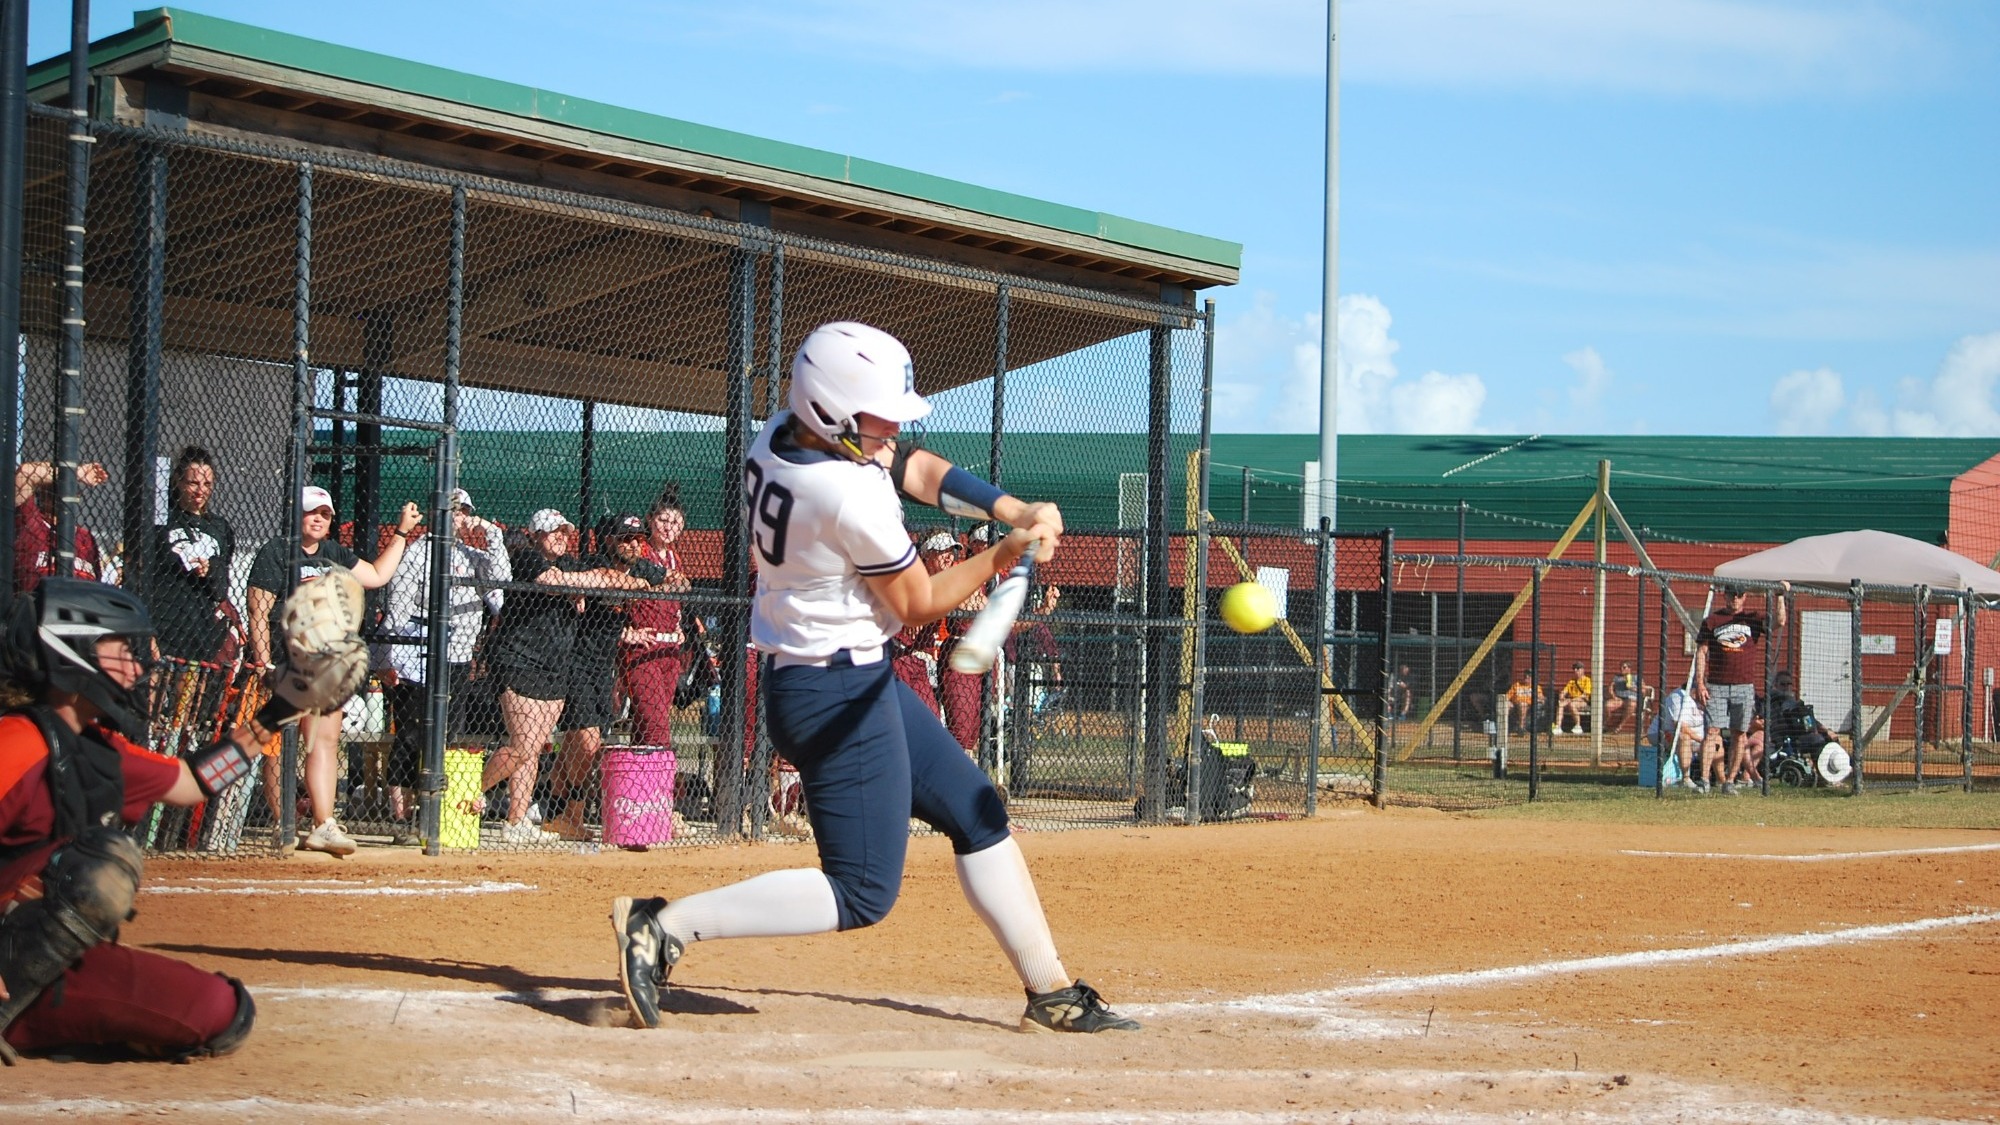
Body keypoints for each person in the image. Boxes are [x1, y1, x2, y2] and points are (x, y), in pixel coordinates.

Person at [612, 321, 1138, 1035]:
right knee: (861, 889)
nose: (890, 429)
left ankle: (1049, 988)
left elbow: (913, 465)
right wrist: (1002, 555)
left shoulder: (784, 432)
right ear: (833, 413)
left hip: (853, 678)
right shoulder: (842, 496)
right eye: (876, 417)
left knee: (975, 808)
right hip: (834, 697)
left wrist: (1007, 509)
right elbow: (918, 601)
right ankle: (664, 925)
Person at [0, 579, 255, 1061]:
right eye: (120, 649)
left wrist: (283, 710)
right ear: (72, 653)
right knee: (101, 869)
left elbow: (192, 782)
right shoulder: (15, 743)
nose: (137, 667)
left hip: (40, 958)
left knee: (223, 1011)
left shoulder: (97, 749)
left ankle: (57, 1024)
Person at [246, 486, 421, 855]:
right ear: (297, 515)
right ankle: (283, 822)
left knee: (323, 741)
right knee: (280, 746)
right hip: (287, 660)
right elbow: (258, 612)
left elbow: (376, 575)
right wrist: (263, 660)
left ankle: (323, 824)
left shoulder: (334, 553)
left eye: (325, 514)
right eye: (312, 512)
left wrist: (402, 532)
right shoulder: (277, 552)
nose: (318, 518)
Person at [478, 508, 652, 844]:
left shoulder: (571, 563)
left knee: (534, 749)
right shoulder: (526, 558)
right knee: (523, 745)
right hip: (520, 659)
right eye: (552, 531)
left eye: (564, 531)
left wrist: (597, 581)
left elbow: (600, 577)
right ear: (535, 535)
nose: (560, 536)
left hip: (555, 666)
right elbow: (552, 582)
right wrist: (589, 582)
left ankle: (516, 821)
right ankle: (467, 790)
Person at [373, 488, 510, 842]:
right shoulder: (419, 552)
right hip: (417, 656)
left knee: (448, 734)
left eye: (464, 511)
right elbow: (397, 609)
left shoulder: (473, 554)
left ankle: (432, 812)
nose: (459, 517)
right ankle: (402, 817)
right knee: (411, 733)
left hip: (459, 656)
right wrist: (386, 657)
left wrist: (492, 535)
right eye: (452, 510)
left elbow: (500, 589)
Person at [545, 513, 667, 842]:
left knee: (572, 747)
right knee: (588, 745)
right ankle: (572, 814)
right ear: (608, 540)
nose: (633, 544)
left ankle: (557, 816)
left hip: (604, 668)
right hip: (577, 663)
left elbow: (678, 580)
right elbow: (572, 574)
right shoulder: (591, 562)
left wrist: (647, 584)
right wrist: (625, 583)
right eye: (625, 538)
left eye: (637, 539)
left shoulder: (642, 567)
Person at [1694, 581, 1788, 796]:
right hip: (1716, 685)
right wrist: (1700, 683)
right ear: (1725, 596)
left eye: (1738, 595)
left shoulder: (1753, 619)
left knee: (1739, 733)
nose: (1734, 599)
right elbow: (1701, 652)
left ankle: (1729, 781)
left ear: (1744, 597)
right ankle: (1704, 780)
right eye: (1730, 595)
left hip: (1743, 686)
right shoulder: (1712, 621)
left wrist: (1780, 596)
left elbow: (1780, 621)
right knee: (1712, 732)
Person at [147, 447, 239, 664]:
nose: (201, 491)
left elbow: (221, 589)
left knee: (189, 695)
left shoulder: (219, 527)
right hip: (165, 623)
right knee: (155, 692)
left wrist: (211, 569)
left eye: (207, 484)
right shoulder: (163, 522)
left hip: (201, 631)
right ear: (179, 482)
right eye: (193, 483)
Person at [619, 487, 693, 749]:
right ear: (650, 520)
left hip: (670, 648)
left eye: (676, 523)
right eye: (663, 520)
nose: (669, 528)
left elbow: (681, 593)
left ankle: (639, 781)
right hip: (643, 645)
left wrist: (679, 624)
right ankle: (659, 774)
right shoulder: (641, 553)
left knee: (647, 720)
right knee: (655, 720)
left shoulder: (675, 558)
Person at [888, 530, 955, 719]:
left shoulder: (949, 581)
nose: (949, 556)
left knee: (931, 716)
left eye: (951, 550)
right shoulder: (915, 580)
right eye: (942, 551)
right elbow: (914, 625)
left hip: (923, 661)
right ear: (926, 555)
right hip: (901, 656)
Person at [12, 460, 107, 593]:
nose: (60, 494)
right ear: (42, 493)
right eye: (53, 487)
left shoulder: (86, 538)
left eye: (68, 488)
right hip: (39, 607)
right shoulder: (30, 521)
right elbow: (25, 473)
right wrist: (76, 473)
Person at [936, 527, 989, 754]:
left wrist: (1042, 611)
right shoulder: (959, 570)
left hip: (983, 656)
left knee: (974, 733)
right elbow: (961, 605)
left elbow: (1007, 622)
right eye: (986, 543)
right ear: (974, 546)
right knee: (960, 729)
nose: (991, 548)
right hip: (958, 652)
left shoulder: (994, 577)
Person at [1649, 682, 1715, 792]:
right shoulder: (1678, 697)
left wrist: (1707, 740)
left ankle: (1720, 780)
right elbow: (1680, 727)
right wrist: (1702, 741)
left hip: (1696, 737)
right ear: (1694, 689)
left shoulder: (1704, 699)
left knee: (1717, 740)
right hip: (1663, 734)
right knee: (1683, 737)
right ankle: (1686, 778)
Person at [1603, 660, 1651, 734]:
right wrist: (1614, 696)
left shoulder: (1636, 677)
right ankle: (1606, 725)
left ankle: (1620, 726)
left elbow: (1644, 691)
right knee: (1607, 705)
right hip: (1619, 699)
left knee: (1631, 704)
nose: (1622, 669)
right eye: (1621, 667)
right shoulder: (1617, 677)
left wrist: (1632, 688)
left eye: (1624, 667)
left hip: (1631, 699)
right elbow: (1610, 688)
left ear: (1629, 669)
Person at [1555, 661, 1591, 735]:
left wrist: (1571, 700)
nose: (1575, 670)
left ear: (1582, 670)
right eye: (1574, 669)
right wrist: (1562, 696)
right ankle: (1558, 726)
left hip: (1582, 702)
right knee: (1561, 704)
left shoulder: (1587, 680)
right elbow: (1564, 691)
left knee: (1572, 704)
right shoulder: (1572, 681)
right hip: (1571, 700)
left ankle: (1578, 726)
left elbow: (1585, 695)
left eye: (1577, 668)